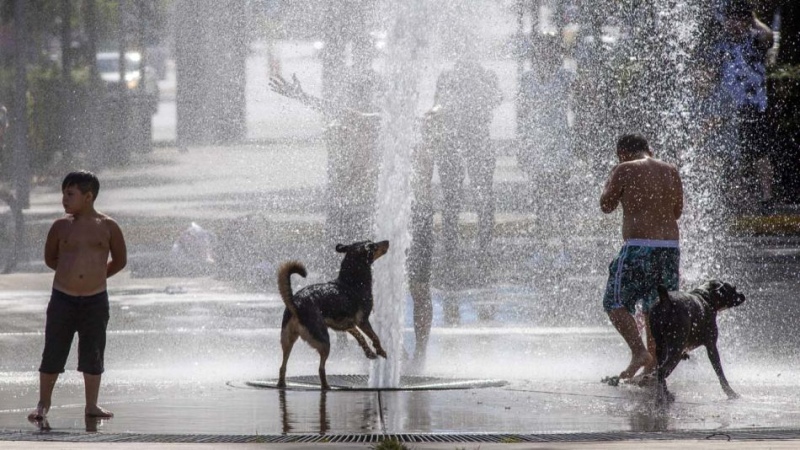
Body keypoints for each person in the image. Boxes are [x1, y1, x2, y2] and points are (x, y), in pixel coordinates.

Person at [28, 170, 127, 422]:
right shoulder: (60, 226)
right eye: (63, 193)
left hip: (95, 299)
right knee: (53, 351)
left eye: (70, 194)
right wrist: (70, 273)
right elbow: (51, 258)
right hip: (63, 297)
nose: (64, 199)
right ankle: (42, 403)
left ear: (89, 196)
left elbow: (120, 260)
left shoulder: (108, 226)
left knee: (93, 351)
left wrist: (97, 275)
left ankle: (91, 405)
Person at [600, 134, 683, 380]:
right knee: (656, 307)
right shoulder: (671, 170)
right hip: (670, 248)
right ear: (649, 149)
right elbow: (677, 212)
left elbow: (606, 205)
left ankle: (639, 352)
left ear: (622, 153)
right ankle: (653, 366)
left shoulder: (623, 168)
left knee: (613, 302)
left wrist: (612, 181)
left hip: (638, 247)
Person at [433, 53, 502, 289]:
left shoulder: (485, 76)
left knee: (483, 197)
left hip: (477, 141)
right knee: (451, 198)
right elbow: (436, 108)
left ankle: (484, 248)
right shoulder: (447, 77)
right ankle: (451, 249)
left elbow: (495, 99)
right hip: (451, 143)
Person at [714, 1, 774, 211]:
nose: (734, 24)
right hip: (728, 107)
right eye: (730, 19)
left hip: (753, 105)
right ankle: (734, 197)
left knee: (759, 153)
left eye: (739, 20)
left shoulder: (754, 41)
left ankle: (767, 197)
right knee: (731, 153)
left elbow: (769, 36)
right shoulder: (720, 44)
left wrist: (753, 19)